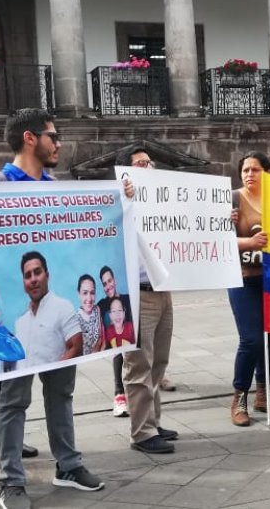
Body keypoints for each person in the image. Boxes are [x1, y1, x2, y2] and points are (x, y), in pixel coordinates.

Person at [0, 109, 104, 509]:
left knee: (61, 395)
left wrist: (123, 200)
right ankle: (11, 481)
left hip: (53, 320)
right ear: (31, 138)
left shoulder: (57, 188)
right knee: (13, 402)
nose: (60, 142)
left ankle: (68, 465)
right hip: (21, 329)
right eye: (54, 135)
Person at [118, 146, 180, 454]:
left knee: (158, 362)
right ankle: (141, 432)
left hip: (162, 289)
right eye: (141, 164)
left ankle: (153, 421)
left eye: (150, 162)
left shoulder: (160, 201)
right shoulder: (120, 202)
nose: (149, 167)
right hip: (138, 292)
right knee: (139, 365)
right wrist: (122, 196)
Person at [230, 151, 270, 426]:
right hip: (242, 277)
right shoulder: (232, 199)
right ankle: (239, 398)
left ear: (267, 172)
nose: (249, 174)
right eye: (245, 170)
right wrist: (248, 243)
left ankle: (263, 394)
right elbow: (216, 241)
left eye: (254, 169)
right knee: (250, 339)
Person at [97, 265, 132, 418]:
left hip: (130, 340)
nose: (108, 286)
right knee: (117, 349)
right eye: (104, 284)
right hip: (114, 344)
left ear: (115, 281)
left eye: (109, 281)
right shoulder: (102, 305)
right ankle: (119, 395)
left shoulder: (127, 299)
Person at [75, 275, 103, 355]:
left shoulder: (97, 310)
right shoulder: (75, 322)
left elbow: (100, 337)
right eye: (85, 293)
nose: (89, 298)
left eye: (92, 293)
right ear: (78, 294)